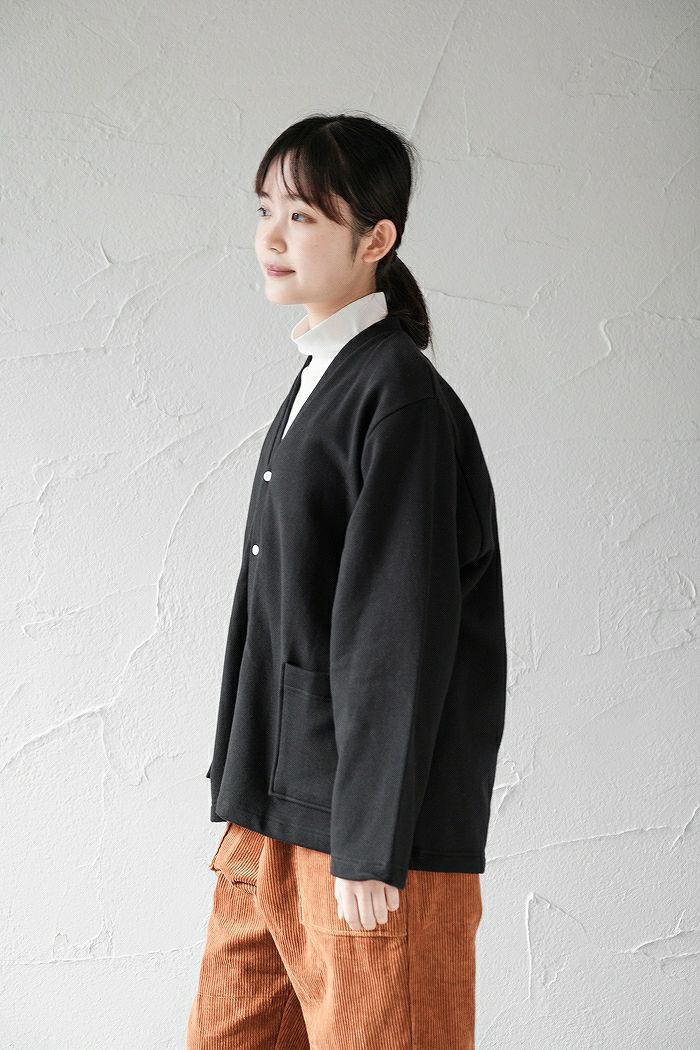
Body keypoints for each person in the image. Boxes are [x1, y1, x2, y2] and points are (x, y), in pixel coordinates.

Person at [187, 112, 507, 1050]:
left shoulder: (398, 399)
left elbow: (396, 636)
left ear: (376, 239)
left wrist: (372, 842)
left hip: (364, 840)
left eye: (304, 217)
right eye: (265, 210)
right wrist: (241, 790)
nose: (272, 237)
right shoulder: (321, 379)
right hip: (272, 820)